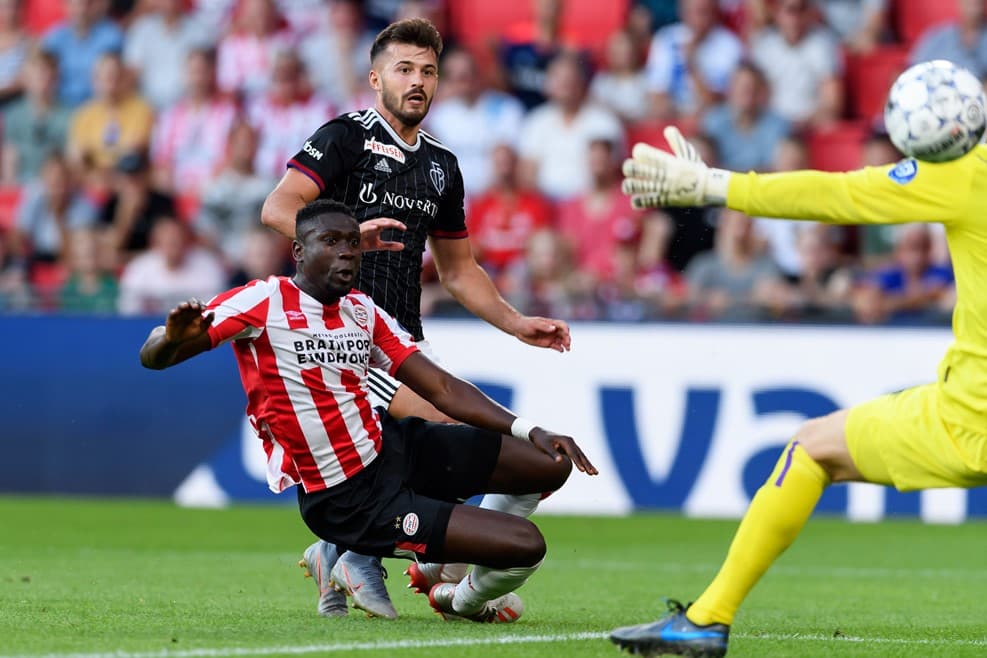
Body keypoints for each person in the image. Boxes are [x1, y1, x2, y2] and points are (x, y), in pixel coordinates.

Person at [612, 122, 987, 657]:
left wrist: (712, 185)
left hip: (971, 414)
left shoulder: (972, 175)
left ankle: (708, 619)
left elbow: (839, 194)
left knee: (811, 448)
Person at [139, 199, 597, 624]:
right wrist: (173, 339)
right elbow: (155, 357)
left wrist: (529, 429)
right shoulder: (264, 301)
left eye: (353, 244)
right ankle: (462, 600)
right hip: (347, 497)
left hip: (393, 449)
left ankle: (440, 561)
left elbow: (440, 386)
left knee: (549, 464)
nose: (346, 255)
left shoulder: (362, 310)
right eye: (331, 242)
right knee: (527, 547)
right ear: (298, 251)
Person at [260, 17, 575, 620]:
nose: (418, 81)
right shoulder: (345, 138)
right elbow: (278, 207)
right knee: (442, 428)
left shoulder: (441, 166)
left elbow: (458, 270)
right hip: (337, 337)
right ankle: (392, 563)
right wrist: (348, 233)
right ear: (375, 77)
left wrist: (516, 322)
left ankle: (351, 553)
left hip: (399, 340)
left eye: (428, 71)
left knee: (416, 458)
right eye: (404, 69)